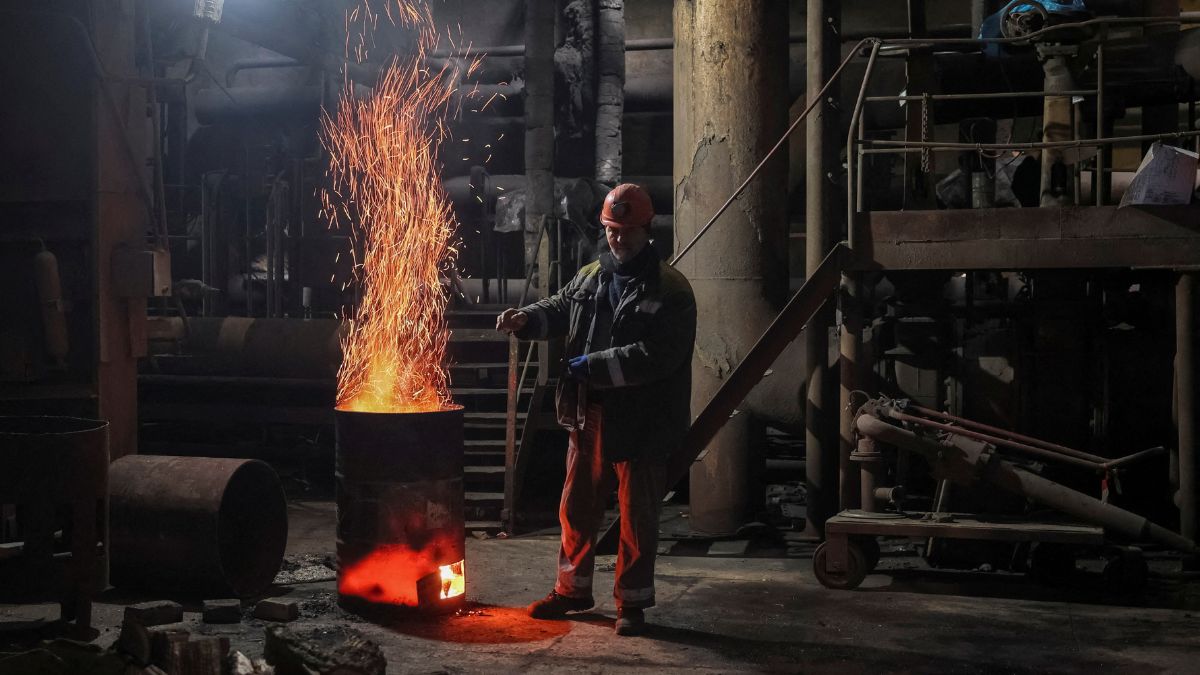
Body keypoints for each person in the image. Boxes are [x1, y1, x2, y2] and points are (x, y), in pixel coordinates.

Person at [495, 183, 696, 636]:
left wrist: (594, 366)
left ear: (647, 229)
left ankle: (632, 604)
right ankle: (572, 591)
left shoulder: (672, 290)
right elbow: (560, 307)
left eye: (626, 231)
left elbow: (658, 357)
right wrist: (527, 318)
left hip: (643, 421)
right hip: (589, 413)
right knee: (577, 506)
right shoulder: (592, 275)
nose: (617, 239)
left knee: (636, 515)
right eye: (610, 230)